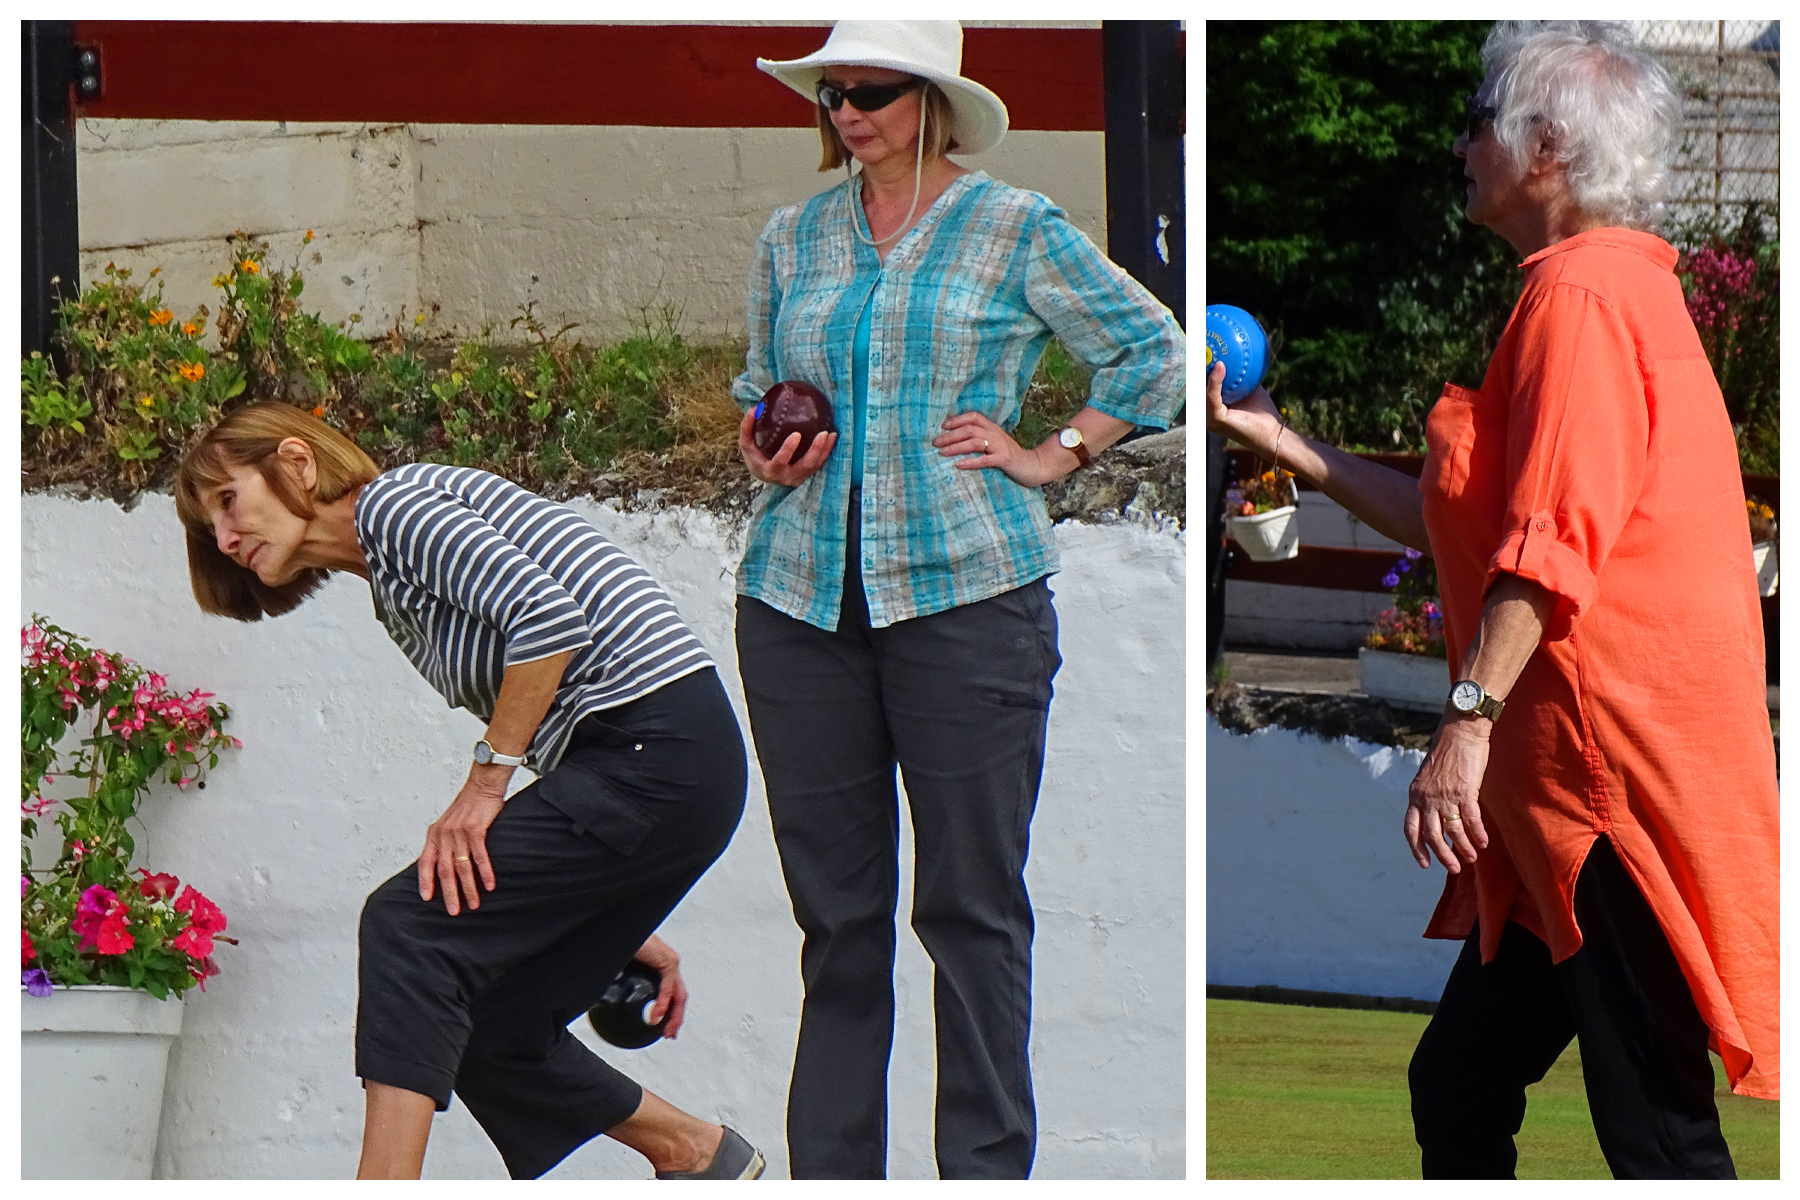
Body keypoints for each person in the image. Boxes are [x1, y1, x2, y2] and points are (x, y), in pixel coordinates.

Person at [1208, 21, 1777, 1179]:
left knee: (1657, 1132)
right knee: (1461, 1082)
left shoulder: (1581, 296)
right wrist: (1282, 441)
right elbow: (1463, 521)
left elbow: (1551, 546)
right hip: (1566, 795)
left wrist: (1463, 726)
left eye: (1479, 122)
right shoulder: (1605, 287)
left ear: (1547, 147)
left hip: (1607, 794)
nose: (1461, 145)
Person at [731, 20, 1186, 1180]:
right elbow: (759, 393)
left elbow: (1156, 353)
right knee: (838, 927)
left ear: (930, 98)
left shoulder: (1015, 227)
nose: (847, 111)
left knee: (972, 914)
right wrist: (763, 445)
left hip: (970, 602)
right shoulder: (792, 239)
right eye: (831, 93)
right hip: (797, 606)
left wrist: (1053, 453)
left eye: (872, 90)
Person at [173, 402, 764, 1180]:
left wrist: (485, 786)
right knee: (487, 1017)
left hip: (655, 750)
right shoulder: (390, 579)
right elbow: (555, 700)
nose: (224, 538)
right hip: (652, 767)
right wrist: (587, 900)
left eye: (228, 501)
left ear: (297, 462)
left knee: (409, 926)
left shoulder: (394, 509)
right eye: (209, 525)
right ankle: (693, 1152)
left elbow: (548, 621)